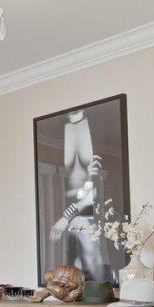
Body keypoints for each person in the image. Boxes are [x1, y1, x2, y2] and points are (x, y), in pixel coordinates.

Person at [48, 109, 113, 284]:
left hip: (85, 216)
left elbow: (91, 193)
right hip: (77, 215)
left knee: (83, 229)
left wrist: (65, 218)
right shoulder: (57, 128)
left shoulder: (96, 129)